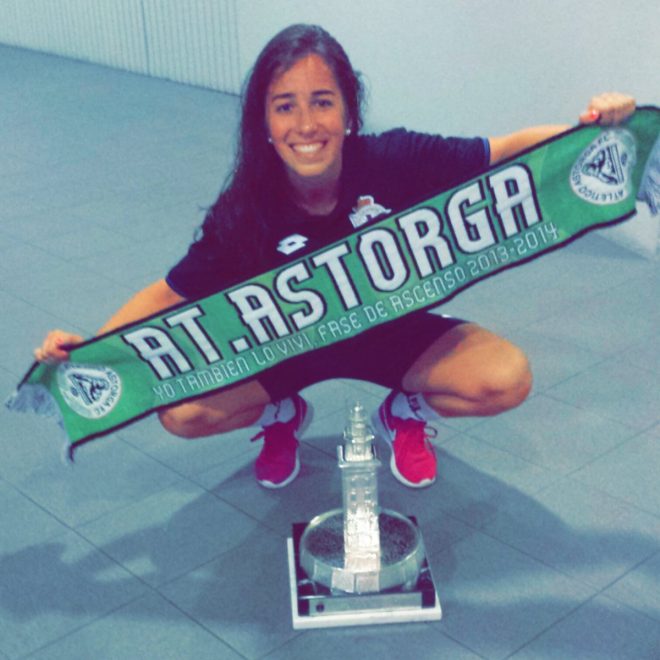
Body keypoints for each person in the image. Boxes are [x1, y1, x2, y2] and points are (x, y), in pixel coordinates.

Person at [35, 24, 636, 489]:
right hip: (286, 349)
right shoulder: (244, 206)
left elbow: (504, 153)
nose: (306, 124)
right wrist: (86, 349)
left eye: (322, 101)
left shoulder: (396, 158)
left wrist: (593, 130)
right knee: (183, 412)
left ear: (348, 109)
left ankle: (403, 411)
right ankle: (280, 416)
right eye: (285, 105)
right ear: (263, 123)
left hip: (391, 334)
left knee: (506, 378)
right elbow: (170, 294)